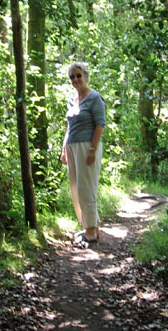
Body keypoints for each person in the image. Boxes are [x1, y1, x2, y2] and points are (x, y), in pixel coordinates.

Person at [61, 62, 106, 246]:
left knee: (86, 189)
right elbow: (69, 126)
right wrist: (64, 148)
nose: (75, 79)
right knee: (75, 188)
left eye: (78, 75)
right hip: (72, 146)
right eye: (72, 77)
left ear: (85, 76)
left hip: (87, 145)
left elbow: (100, 125)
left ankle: (90, 233)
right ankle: (91, 225)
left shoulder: (95, 98)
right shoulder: (73, 99)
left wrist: (92, 149)